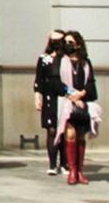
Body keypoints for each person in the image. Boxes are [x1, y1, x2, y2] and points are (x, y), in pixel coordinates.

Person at [55, 31, 98, 185]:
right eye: (66, 42)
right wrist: (72, 95)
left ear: (78, 44)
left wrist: (82, 94)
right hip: (66, 102)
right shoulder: (59, 60)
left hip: (83, 102)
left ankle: (80, 170)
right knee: (70, 134)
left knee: (81, 136)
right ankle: (72, 170)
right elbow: (55, 81)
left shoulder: (85, 63)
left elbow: (91, 83)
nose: (68, 45)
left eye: (71, 42)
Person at [33, 29, 67, 175]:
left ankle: (65, 163)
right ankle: (52, 164)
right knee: (51, 129)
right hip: (49, 97)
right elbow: (38, 79)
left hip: (64, 97)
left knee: (64, 130)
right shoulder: (44, 58)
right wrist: (37, 96)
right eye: (53, 40)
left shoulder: (67, 59)